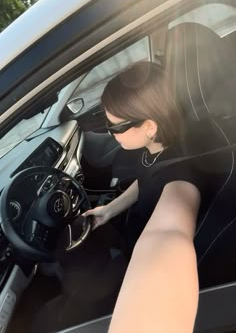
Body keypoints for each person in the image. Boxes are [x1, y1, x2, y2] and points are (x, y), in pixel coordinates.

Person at [83, 61, 202, 333]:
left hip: (133, 262)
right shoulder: (158, 147)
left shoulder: (181, 176)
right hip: (127, 243)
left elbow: (168, 234)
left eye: (115, 128)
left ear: (149, 125)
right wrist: (110, 209)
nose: (110, 133)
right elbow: (146, 177)